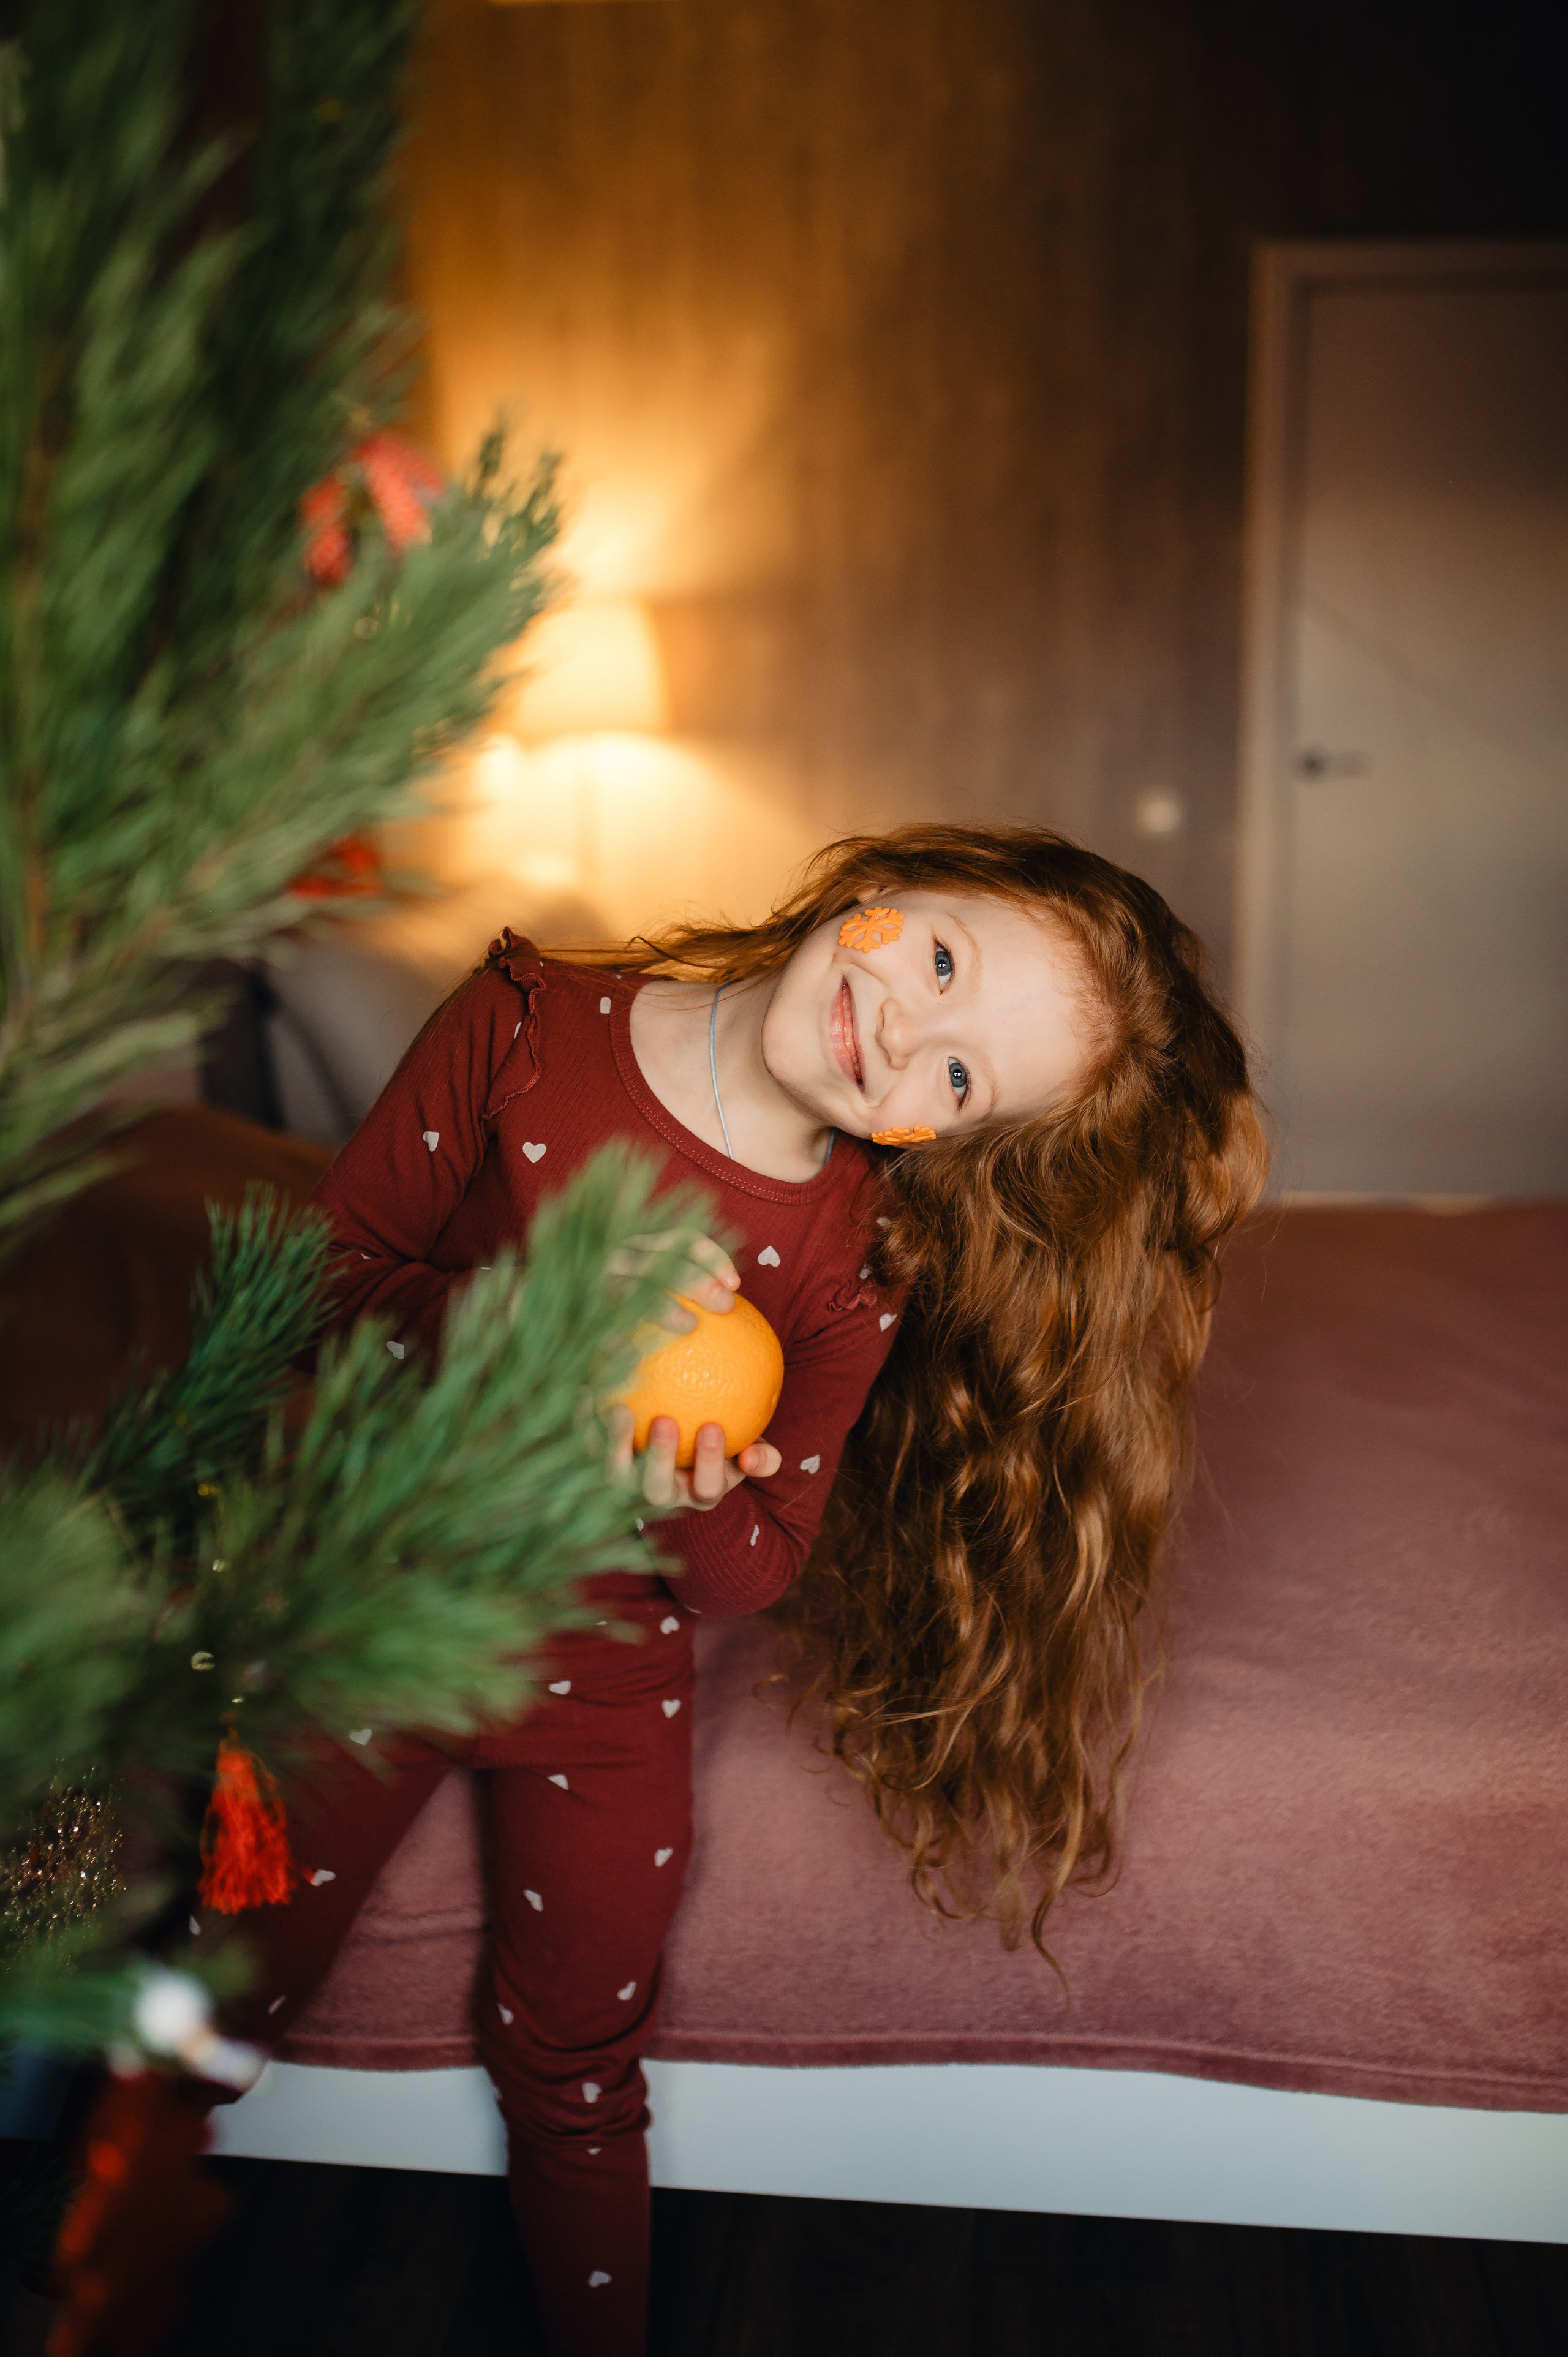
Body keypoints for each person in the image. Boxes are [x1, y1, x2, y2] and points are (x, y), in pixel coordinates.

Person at [215, 823, 1266, 2356]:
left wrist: (681, 1512)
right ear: (882, 887)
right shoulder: (524, 1025)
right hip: (373, 1598)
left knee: (578, 2056)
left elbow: (762, 1555)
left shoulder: (852, 1259)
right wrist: (528, 1315)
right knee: (234, 1955)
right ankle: (96, 2200)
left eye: (961, 1081)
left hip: (598, 1683)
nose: (907, 1035)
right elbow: (322, 1281)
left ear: (943, 1141)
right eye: (943, 961)